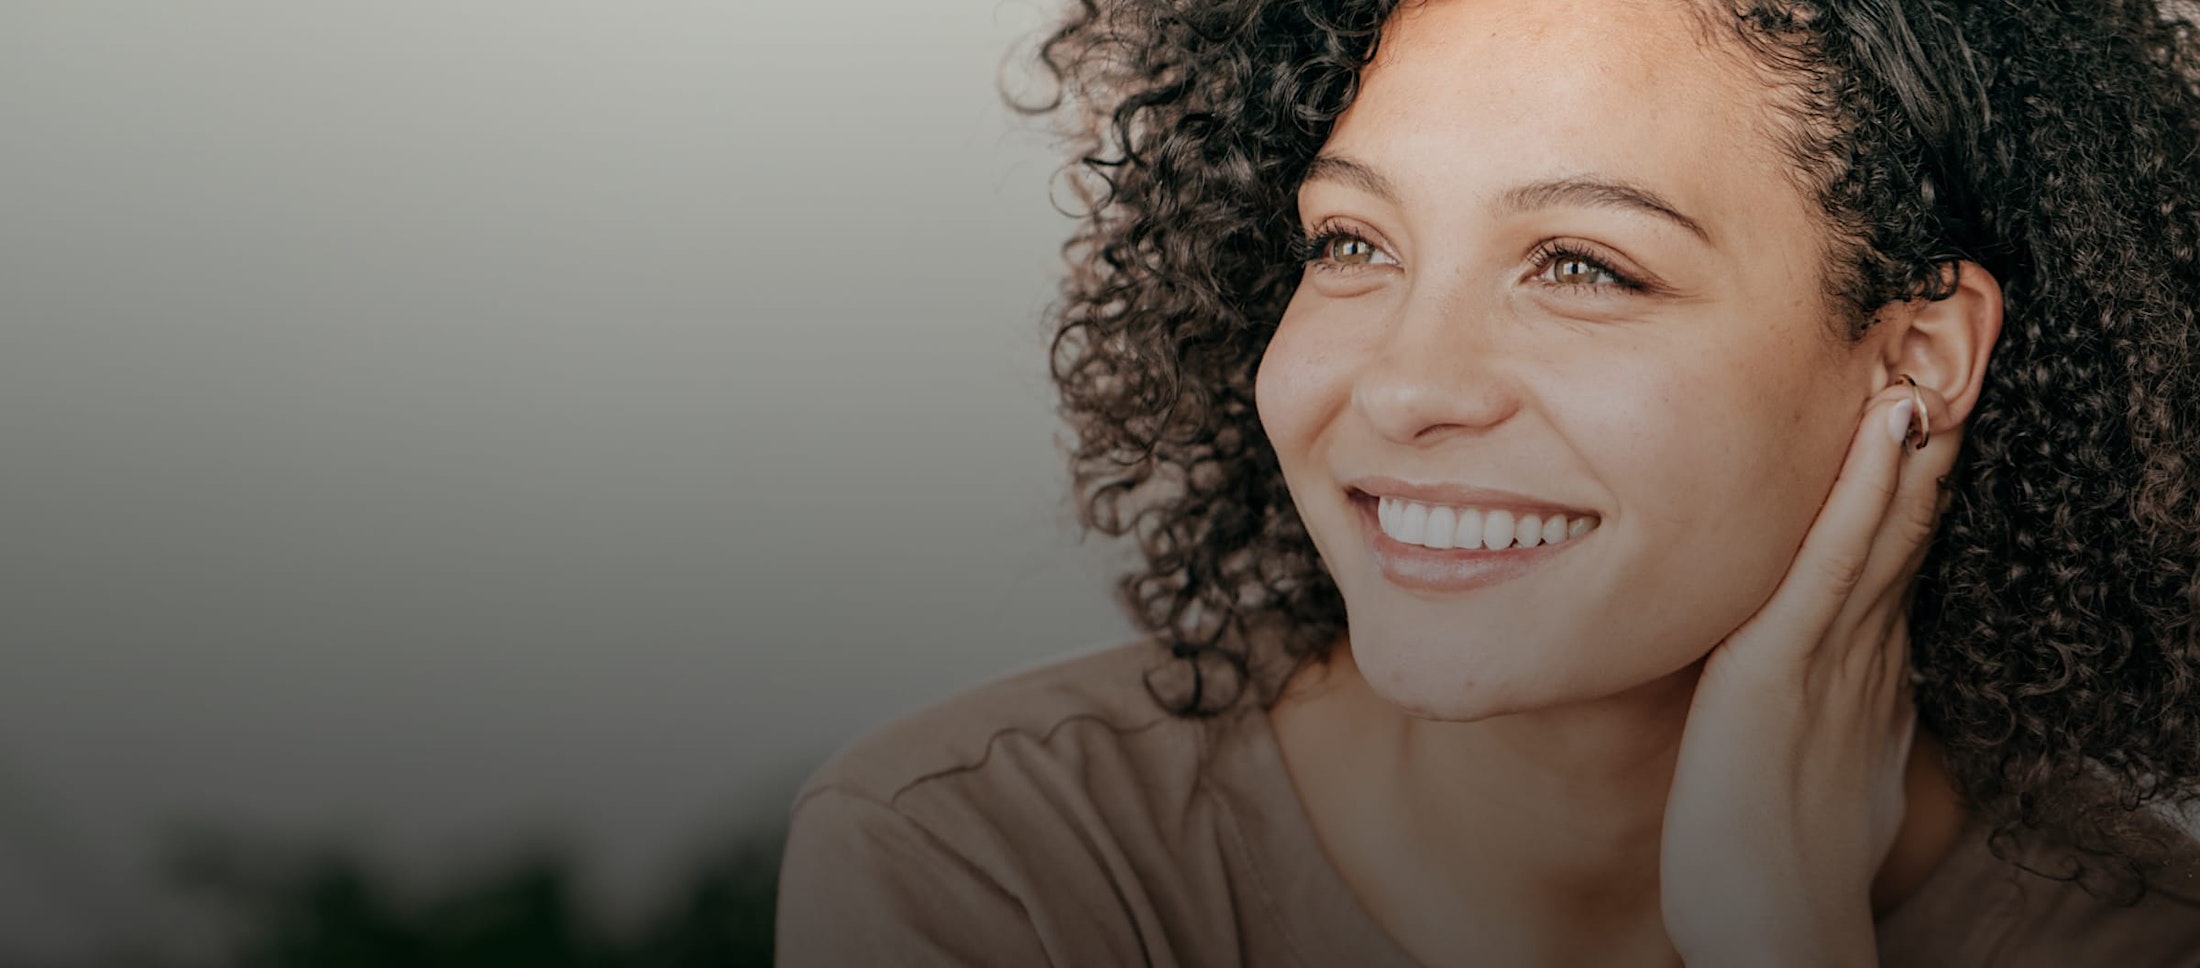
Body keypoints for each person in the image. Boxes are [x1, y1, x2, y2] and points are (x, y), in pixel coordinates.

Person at [775, 0, 2200, 963]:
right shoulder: (1000, 872)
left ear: (1917, 356)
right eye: (1352, 244)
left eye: (1582, 265)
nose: (1403, 386)